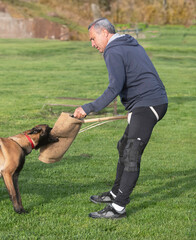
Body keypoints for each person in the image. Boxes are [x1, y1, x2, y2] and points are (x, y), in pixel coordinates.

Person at [73, 18, 168, 219]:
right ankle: (115, 193)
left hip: (148, 104)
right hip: (147, 102)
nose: (92, 44)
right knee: (123, 146)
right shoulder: (127, 42)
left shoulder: (113, 50)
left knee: (131, 153)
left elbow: (114, 88)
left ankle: (118, 208)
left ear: (105, 33)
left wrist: (88, 108)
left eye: (93, 38)